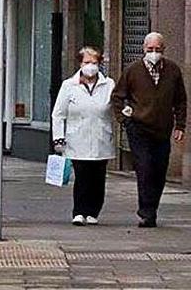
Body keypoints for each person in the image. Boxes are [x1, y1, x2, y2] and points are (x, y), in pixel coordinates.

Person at [111, 32, 187, 228]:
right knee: (144, 168)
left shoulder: (172, 70)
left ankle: (152, 206)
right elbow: (117, 97)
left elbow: (180, 100)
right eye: (150, 49)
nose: (154, 53)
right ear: (144, 49)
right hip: (138, 128)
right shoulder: (133, 70)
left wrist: (180, 125)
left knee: (159, 170)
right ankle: (146, 212)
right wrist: (124, 120)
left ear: (164, 50)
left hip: (162, 129)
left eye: (158, 50)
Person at [51, 47, 116, 226]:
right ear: (80, 63)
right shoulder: (69, 86)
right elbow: (58, 114)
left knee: (98, 177)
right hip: (76, 139)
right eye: (87, 62)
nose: (91, 66)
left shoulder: (108, 84)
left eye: (94, 63)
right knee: (82, 176)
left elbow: (115, 107)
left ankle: (93, 211)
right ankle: (79, 211)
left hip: (101, 138)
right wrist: (58, 138)